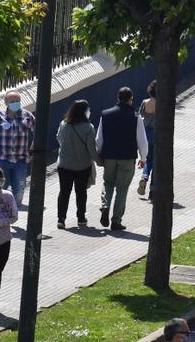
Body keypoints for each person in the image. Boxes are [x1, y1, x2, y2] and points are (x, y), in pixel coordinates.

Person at [96, 86, 148, 230]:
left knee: (108, 183)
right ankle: (116, 220)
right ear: (131, 100)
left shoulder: (105, 115)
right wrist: (143, 158)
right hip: (127, 157)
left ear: (118, 98)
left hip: (109, 157)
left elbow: (99, 139)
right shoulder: (135, 117)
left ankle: (105, 206)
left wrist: (100, 154)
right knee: (122, 189)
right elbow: (142, 140)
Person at [54, 100, 99, 230]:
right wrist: (99, 161)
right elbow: (92, 149)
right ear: (85, 112)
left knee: (64, 192)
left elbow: (58, 138)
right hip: (82, 166)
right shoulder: (88, 128)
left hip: (64, 165)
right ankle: (81, 218)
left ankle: (61, 219)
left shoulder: (63, 124)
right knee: (81, 192)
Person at [0, 90, 35, 205]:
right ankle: (0, 215)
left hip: (20, 160)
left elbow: (38, 134)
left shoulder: (27, 116)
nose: (16, 103)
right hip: (2, 159)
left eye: (17, 101)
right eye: (12, 101)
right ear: (6, 103)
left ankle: (14, 210)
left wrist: (31, 152)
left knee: (19, 191)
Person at [136, 81, 156, 196]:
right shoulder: (163, 103)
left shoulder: (145, 102)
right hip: (158, 134)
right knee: (157, 161)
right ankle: (153, 189)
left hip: (146, 134)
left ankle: (144, 176)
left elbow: (139, 117)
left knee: (148, 159)